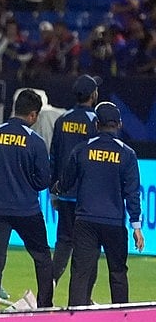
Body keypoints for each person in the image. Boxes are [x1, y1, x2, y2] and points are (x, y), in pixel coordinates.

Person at [0, 89, 54, 312]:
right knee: (43, 258)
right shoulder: (35, 142)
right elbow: (43, 180)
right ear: (33, 115)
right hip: (27, 209)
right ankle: (46, 306)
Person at [57, 102, 144, 306]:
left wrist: (57, 188)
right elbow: (132, 193)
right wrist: (136, 227)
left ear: (96, 124)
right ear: (120, 124)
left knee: (80, 272)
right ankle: (121, 317)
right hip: (113, 222)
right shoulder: (127, 154)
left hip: (85, 221)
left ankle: (76, 319)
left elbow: (67, 182)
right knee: (118, 272)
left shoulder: (81, 150)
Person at [49, 75, 99, 284]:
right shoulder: (96, 121)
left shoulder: (63, 119)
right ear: (93, 95)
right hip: (86, 196)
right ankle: (84, 298)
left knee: (63, 242)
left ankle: (48, 289)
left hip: (65, 193)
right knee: (89, 245)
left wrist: (54, 190)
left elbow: (54, 156)